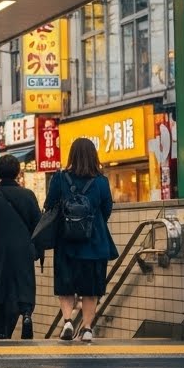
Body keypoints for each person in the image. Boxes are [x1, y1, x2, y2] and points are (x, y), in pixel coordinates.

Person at [45, 138, 116, 343]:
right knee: (91, 289)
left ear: (72, 155)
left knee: (66, 285)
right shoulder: (101, 181)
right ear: (94, 155)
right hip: (95, 243)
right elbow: (106, 210)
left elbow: (49, 205)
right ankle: (86, 329)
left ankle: (67, 321)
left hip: (66, 242)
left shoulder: (59, 178)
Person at [0, 155, 41, 339]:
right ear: (17, 172)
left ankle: (2, 329)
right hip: (22, 248)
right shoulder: (28, 195)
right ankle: (26, 314)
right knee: (24, 283)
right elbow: (37, 224)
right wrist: (36, 249)